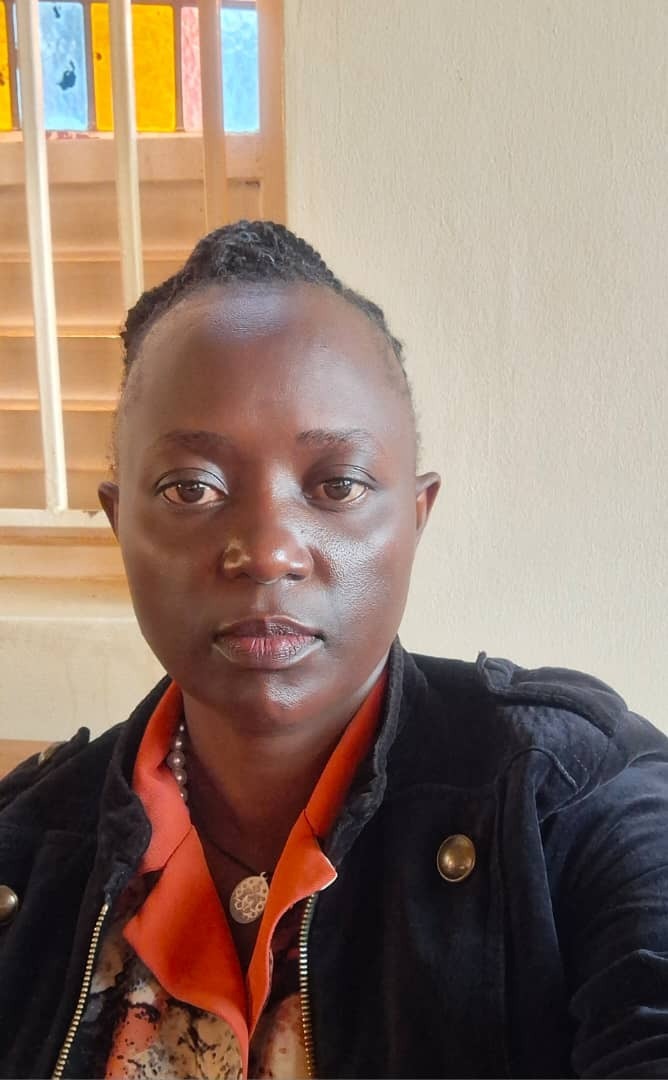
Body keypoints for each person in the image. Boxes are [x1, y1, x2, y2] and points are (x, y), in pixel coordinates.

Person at [0, 220, 667, 1080]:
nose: (268, 550)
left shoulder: (569, 801)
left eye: (337, 484)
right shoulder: (24, 857)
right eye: (191, 487)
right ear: (118, 520)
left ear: (415, 518)